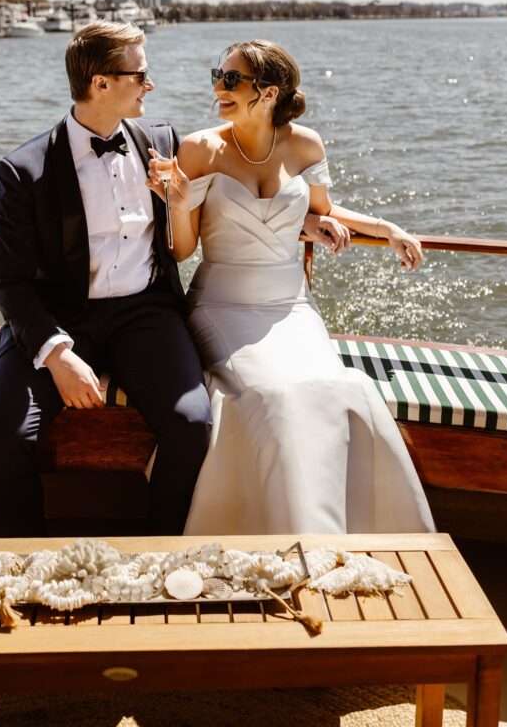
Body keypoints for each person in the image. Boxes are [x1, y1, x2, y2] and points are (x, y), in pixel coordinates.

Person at [148, 38, 435, 535]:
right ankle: (286, 533)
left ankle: (362, 531)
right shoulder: (199, 148)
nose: (219, 86)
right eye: (218, 74)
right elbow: (180, 251)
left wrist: (385, 229)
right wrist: (176, 201)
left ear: (269, 92)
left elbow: (322, 211)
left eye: (232, 79)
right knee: (272, 393)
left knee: (342, 386)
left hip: (291, 307)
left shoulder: (307, 144)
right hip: (223, 304)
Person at [0, 20, 213, 536]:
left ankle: (159, 551)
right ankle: (30, 561)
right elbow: (8, 282)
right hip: (59, 318)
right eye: (141, 74)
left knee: (192, 424)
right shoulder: (24, 170)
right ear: (100, 83)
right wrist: (57, 355)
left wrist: (313, 216)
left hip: (144, 315)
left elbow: (238, 174)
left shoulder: (162, 141)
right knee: (0, 438)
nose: (150, 84)